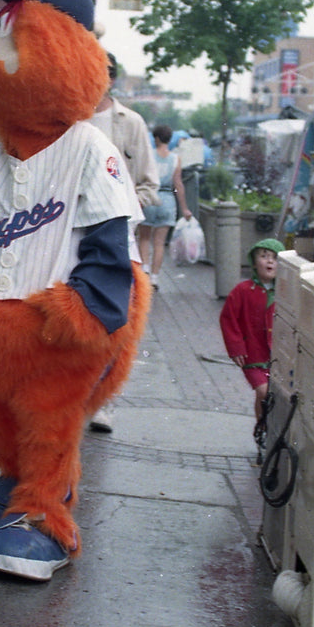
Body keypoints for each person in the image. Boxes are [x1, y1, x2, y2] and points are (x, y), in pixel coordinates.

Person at [85, 64, 157, 434]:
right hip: (73, 232)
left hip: (117, 234)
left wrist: (123, 208)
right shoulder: (69, 117)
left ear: (109, 78)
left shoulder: (131, 123)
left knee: (113, 319)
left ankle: (103, 400)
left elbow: (149, 184)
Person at [219, 238, 281, 448]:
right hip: (253, 355)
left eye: (274, 258)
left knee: (275, 395)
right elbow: (228, 318)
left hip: (278, 357)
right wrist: (236, 347)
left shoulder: (285, 293)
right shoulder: (243, 291)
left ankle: (271, 428)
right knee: (263, 391)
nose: (269, 261)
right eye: (264, 256)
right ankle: (262, 427)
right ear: (254, 262)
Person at [137, 123, 193, 290]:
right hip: (167, 200)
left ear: (156, 138)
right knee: (159, 243)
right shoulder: (176, 159)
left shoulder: (149, 155)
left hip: (149, 198)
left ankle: (144, 271)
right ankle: (155, 278)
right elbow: (178, 184)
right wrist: (184, 208)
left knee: (144, 238)